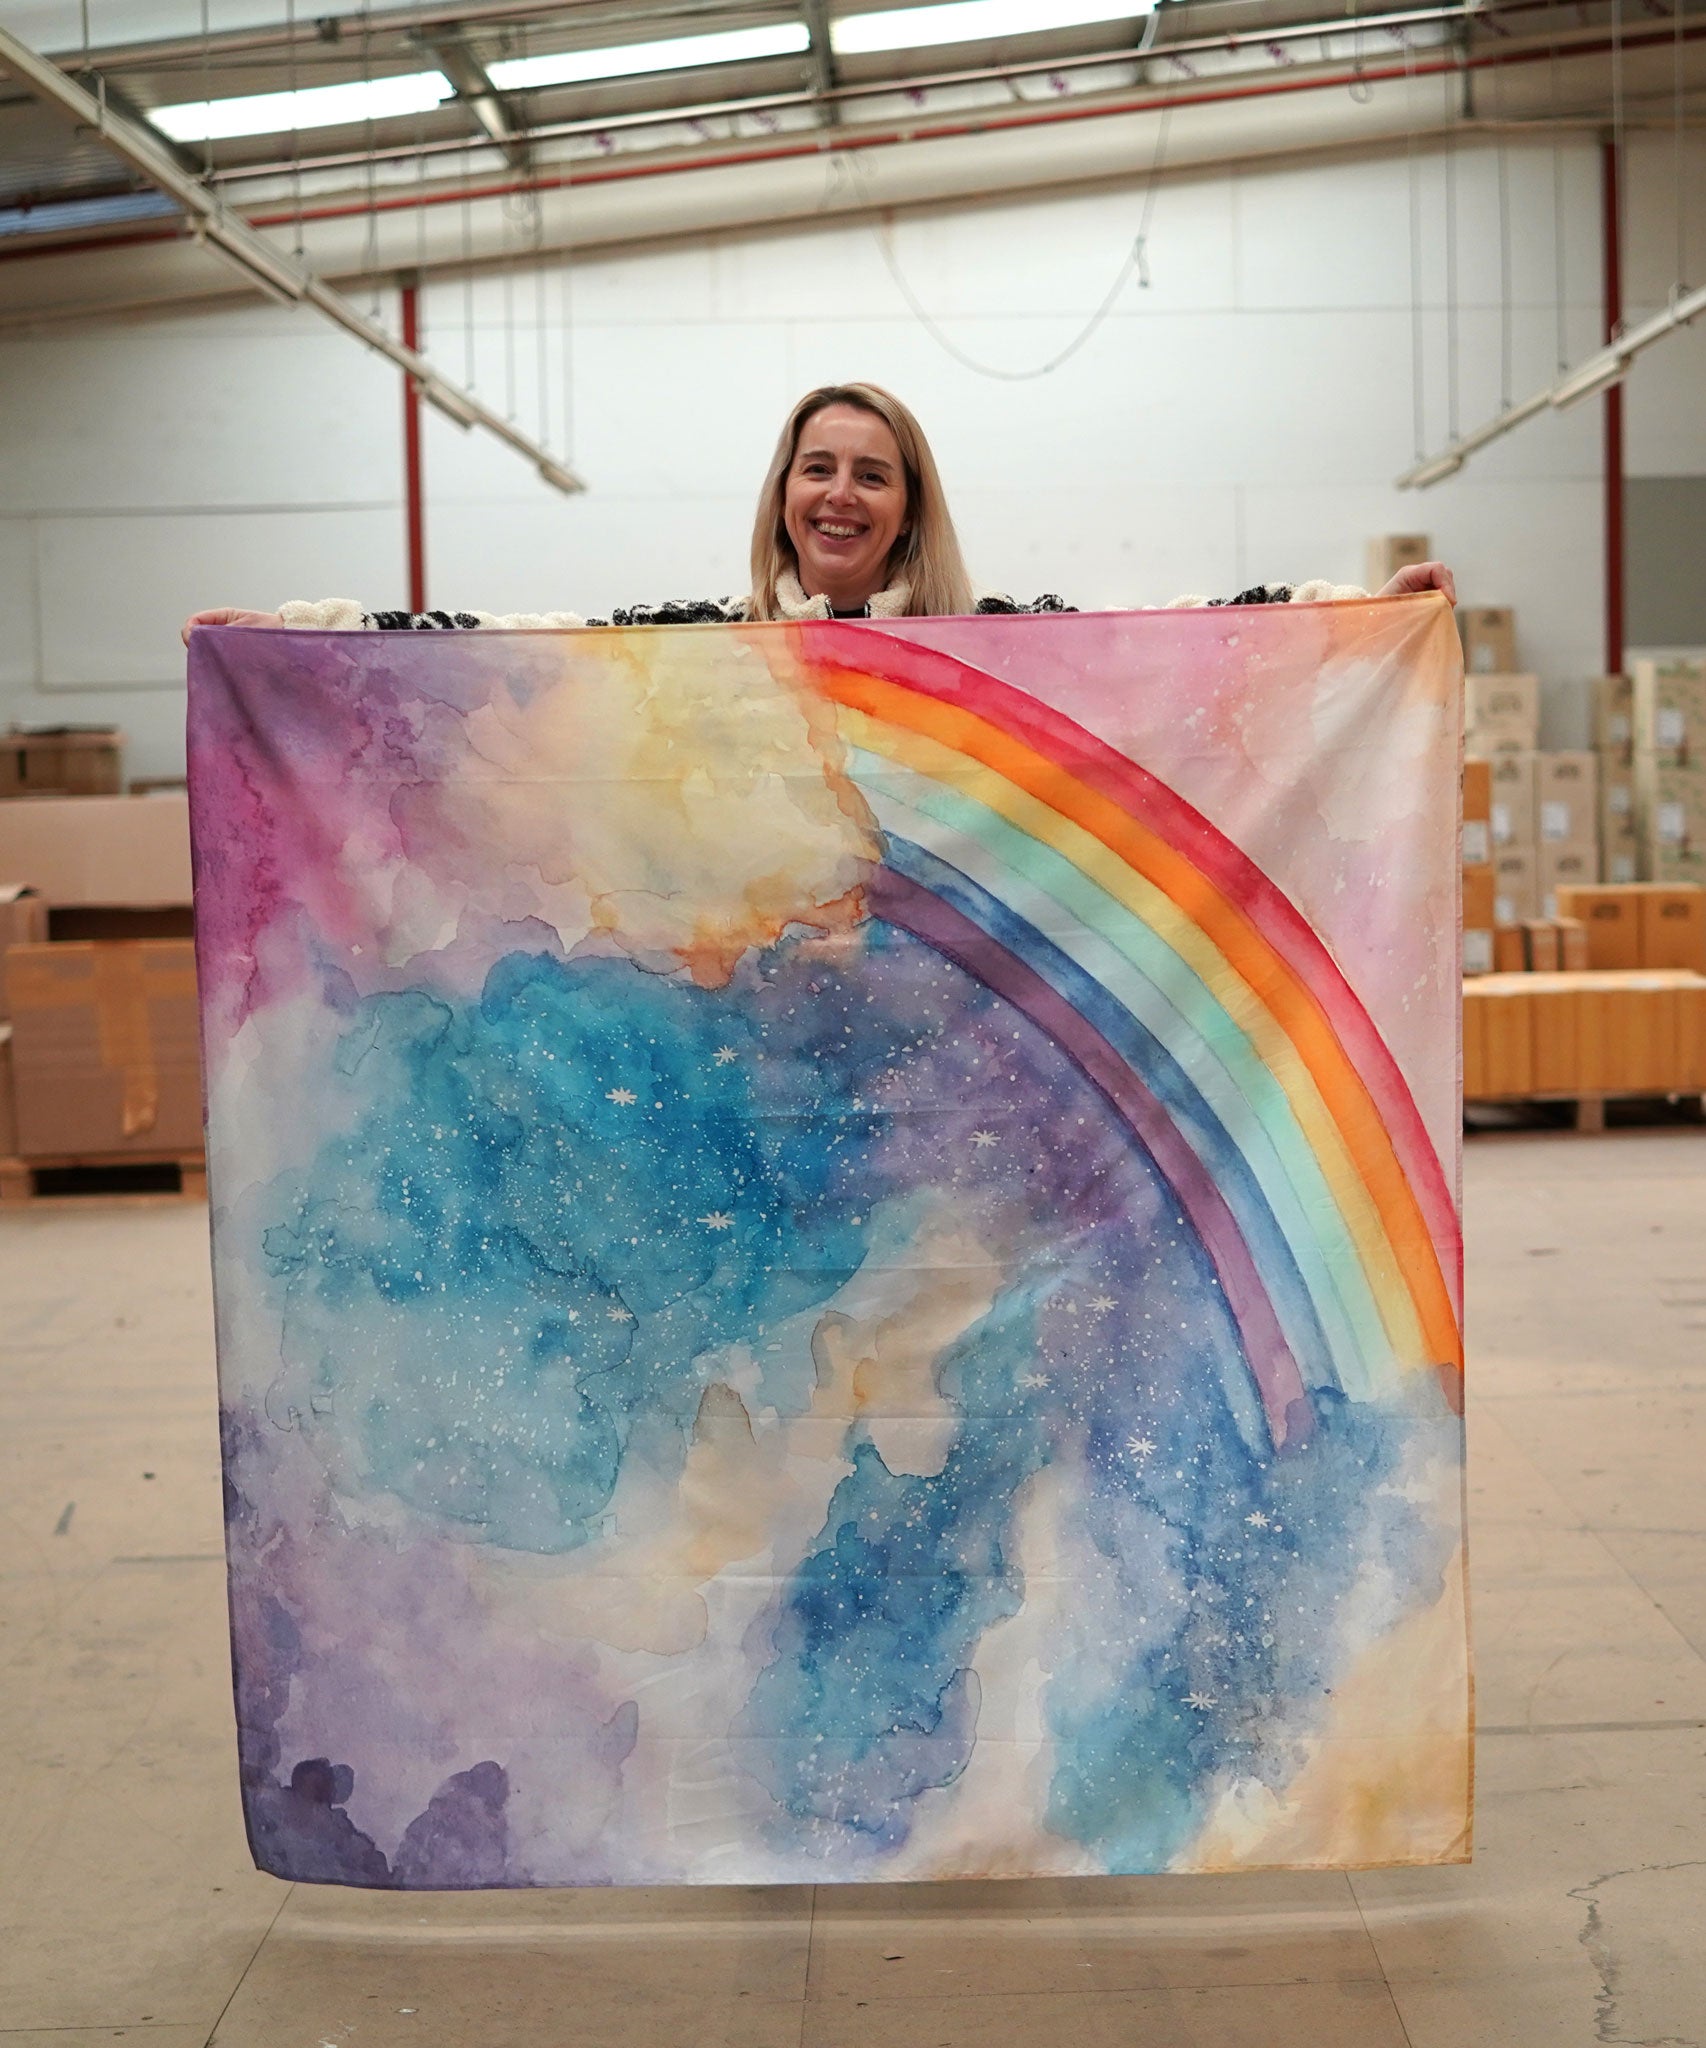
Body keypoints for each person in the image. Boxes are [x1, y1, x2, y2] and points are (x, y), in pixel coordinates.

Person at [182, 380, 1454, 643]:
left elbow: (1178, 635)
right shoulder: (705, 641)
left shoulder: (994, 637)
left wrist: (1350, 614)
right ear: (783, 498)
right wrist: (302, 638)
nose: (839, 491)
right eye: (816, 467)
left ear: (907, 511)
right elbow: (505, 643)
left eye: (871, 471)